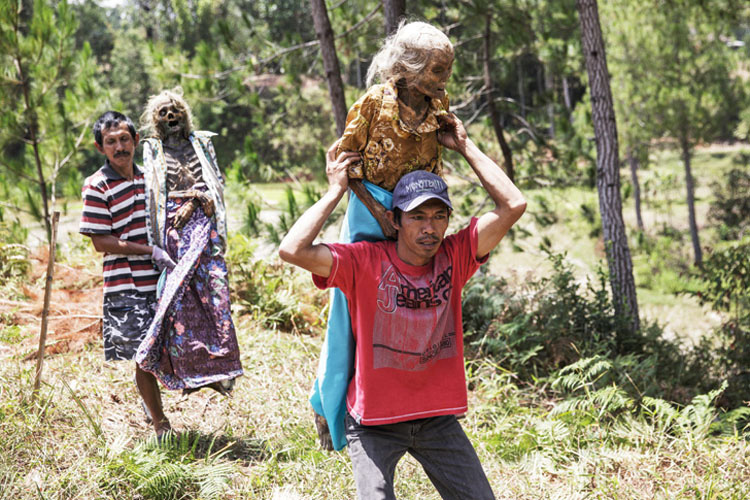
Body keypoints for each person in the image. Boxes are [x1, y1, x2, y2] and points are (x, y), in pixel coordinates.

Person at [279, 113, 526, 499]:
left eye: (438, 216)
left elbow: (513, 203)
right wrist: (334, 192)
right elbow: (292, 250)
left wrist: (464, 145)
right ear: (396, 220)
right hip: (374, 423)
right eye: (417, 217)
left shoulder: (455, 257)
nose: (429, 228)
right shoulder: (364, 262)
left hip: (435, 420)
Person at [311, 20, 456, 451]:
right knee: (351, 311)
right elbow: (346, 164)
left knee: (402, 312)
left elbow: (435, 166)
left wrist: (423, 215)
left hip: (412, 214)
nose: (442, 80)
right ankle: (330, 406)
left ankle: (400, 407)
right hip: (370, 215)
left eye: (447, 71)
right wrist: (382, 213)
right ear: (408, 68)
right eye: (435, 70)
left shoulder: (438, 106)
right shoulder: (374, 104)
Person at [134, 88, 243, 396]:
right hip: (172, 228)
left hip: (203, 226)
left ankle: (221, 369)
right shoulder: (152, 149)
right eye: (163, 113)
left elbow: (215, 184)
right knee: (179, 301)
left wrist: (196, 199)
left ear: (184, 114)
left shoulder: (202, 143)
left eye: (175, 111)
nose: (171, 117)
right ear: (155, 121)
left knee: (216, 296)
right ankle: (186, 373)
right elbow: (154, 192)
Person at [79, 110, 176, 437]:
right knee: (142, 355)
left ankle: (150, 405)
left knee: (162, 350)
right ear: (100, 147)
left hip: (159, 279)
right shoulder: (96, 186)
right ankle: (161, 425)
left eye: (124, 139)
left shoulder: (150, 176)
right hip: (124, 283)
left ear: (135, 140)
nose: (119, 147)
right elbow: (100, 241)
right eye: (111, 142)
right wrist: (149, 251)